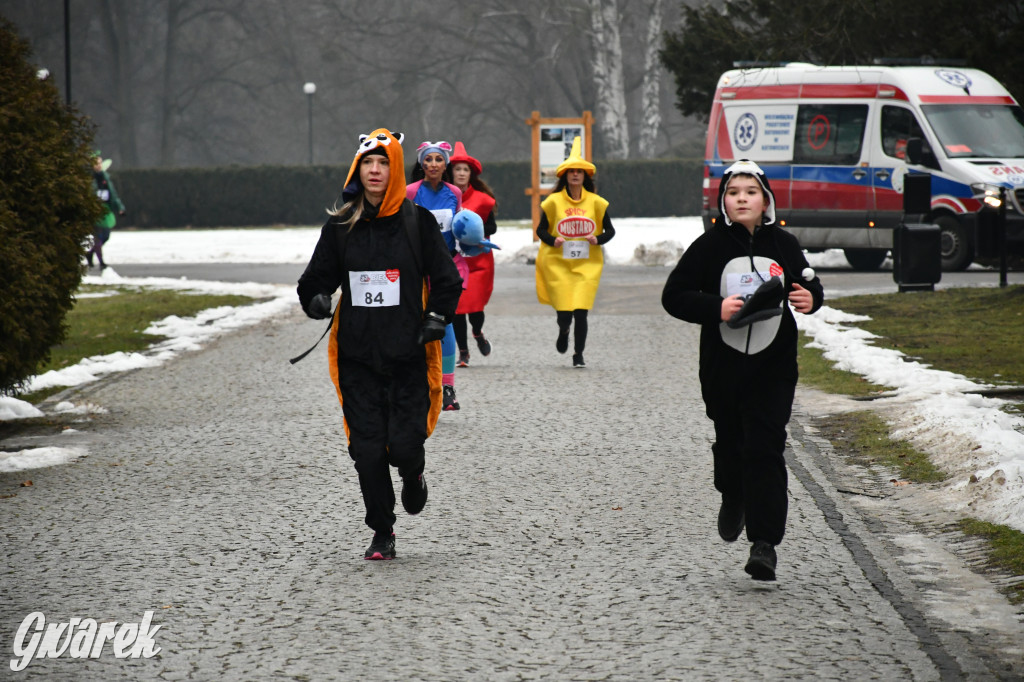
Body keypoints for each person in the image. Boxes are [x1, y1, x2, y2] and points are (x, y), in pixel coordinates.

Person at [296, 128, 463, 560]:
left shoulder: (416, 222)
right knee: (367, 450)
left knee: (403, 447)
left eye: (384, 163)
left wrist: (436, 318)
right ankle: (382, 531)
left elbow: (447, 281)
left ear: (394, 170)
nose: (375, 170)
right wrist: (314, 300)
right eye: (368, 163)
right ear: (357, 169)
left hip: (409, 354)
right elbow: (315, 280)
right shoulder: (340, 227)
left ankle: (414, 473)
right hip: (357, 358)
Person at [661, 159, 824, 581]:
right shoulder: (709, 246)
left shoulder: (784, 243)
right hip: (723, 366)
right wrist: (715, 307)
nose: (742, 199)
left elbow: (807, 282)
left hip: (773, 365)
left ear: (765, 199)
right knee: (732, 440)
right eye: (734, 193)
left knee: (765, 447)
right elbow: (674, 296)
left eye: (750, 192)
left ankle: (764, 544)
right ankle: (732, 492)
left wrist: (811, 298)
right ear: (723, 202)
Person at [534, 136, 615, 368]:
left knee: (581, 310)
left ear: (585, 176)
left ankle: (578, 354)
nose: (576, 175)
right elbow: (541, 230)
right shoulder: (552, 202)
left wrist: (596, 239)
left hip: (586, 266)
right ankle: (563, 329)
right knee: (564, 312)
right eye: (572, 171)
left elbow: (610, 231)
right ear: (565, 176)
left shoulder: (597, 203)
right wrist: (553, 240)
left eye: (580, 171)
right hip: (558, 264)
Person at [406, 140, 465, 410]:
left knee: (446, 322)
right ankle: (418, 382)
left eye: (438, 159)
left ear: (446, 164)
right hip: (416, 268)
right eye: (428, 159)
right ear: (421, 163)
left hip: (445, 266)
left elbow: (459, 227)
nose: (432, 164)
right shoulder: (410, 192)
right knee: (415, 320)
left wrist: (470, 241)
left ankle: (448, 386)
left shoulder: (454, 193)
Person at [448, 141, 498, 367]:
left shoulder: (483, 200)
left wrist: (472, 233)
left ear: (471, 174)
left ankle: (477, 332)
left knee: (475, 307)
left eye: (464, 169)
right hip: (454, 261)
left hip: (479, 262)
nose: (460, 173)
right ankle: (463, 352)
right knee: (457, 308)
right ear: (451, 172)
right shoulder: (445, 196)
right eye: (457, 169)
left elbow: (492, 228)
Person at [87, 151, 126, 270]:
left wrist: (120, 207)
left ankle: (90, 253)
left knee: (106, 236)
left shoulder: (105, 177)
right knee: (98, 236)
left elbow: (113, 194)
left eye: (100, 163)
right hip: (94, 211)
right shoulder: (89, 179)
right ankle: (101, 262)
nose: (98, 165)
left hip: (105, 210)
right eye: (96, 163)